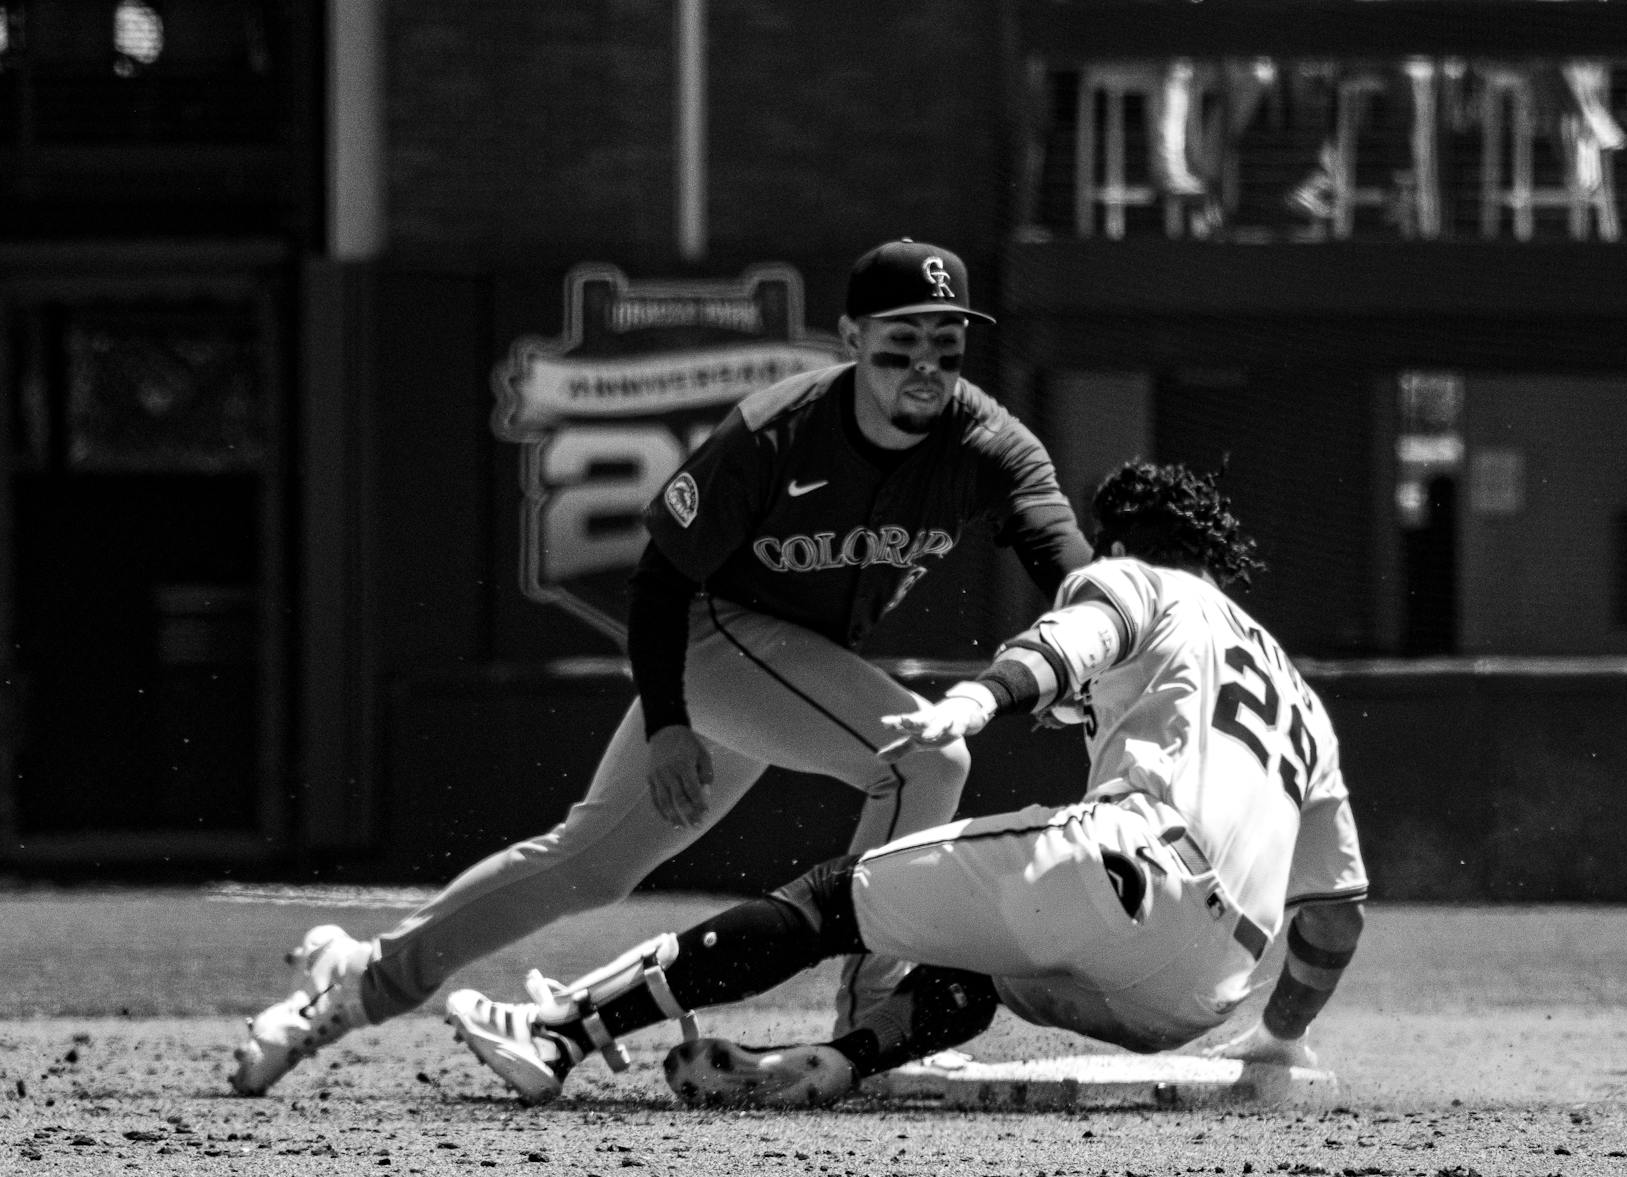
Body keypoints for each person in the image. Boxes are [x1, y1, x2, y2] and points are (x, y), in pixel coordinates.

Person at [229, 238, 1092, 1096]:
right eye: (901, 341)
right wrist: (672, 720)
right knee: (926, 756)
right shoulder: (776, 432)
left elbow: (1063, 554)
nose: (925, 364)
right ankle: (874, 1016)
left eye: (946, 342)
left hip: (793, 662)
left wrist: (1097, 628)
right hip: (710, 639)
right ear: (852, 339)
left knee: (589, 865)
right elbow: (659, 581)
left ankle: (353, 982)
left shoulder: (988, 441)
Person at [442, 459, 1370, 1108]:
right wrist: (1278, 1035)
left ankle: (562, 1028)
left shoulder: (1139, 581)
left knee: (831, 898)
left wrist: (981, 696)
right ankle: (843, 1060)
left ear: (1127, 538)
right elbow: (1334, 920)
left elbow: (1067, 645)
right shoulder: (1302, 700)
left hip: (1130, 868)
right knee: (974, 955)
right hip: (1196, 995)